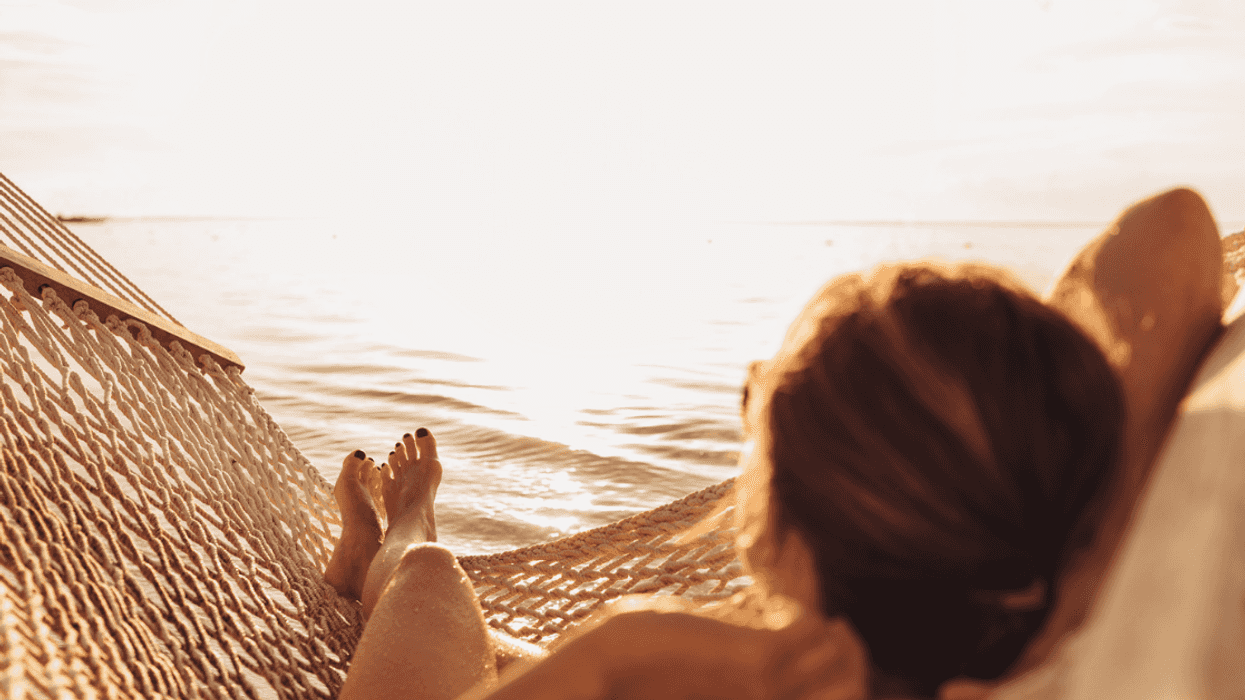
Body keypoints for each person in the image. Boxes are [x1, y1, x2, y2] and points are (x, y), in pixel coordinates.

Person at [322, 187, 1228, 700]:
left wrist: (611, 656)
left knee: (436, 577)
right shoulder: (1048, 651)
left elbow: (1171, 225)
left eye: (758, 404)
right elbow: (1176, 230)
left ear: (782, 535)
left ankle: (396, 532)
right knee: (503, 639)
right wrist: (1067, 546)